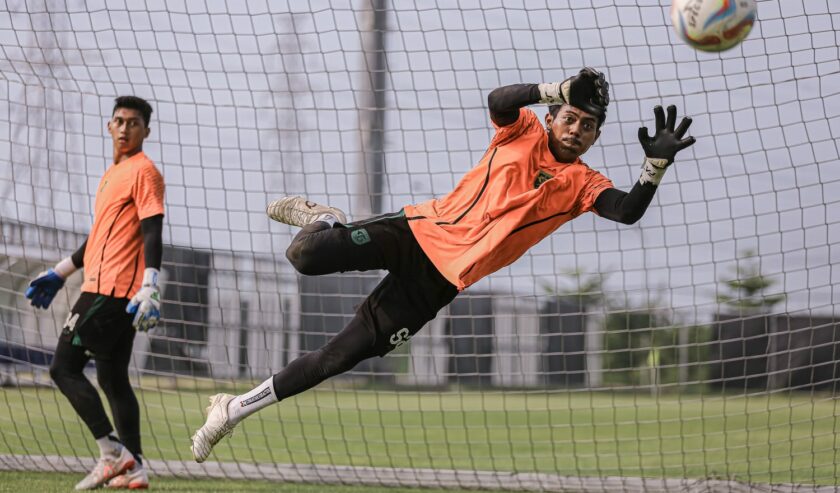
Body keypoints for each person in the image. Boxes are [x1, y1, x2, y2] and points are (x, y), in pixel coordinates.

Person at [190, 67, 695, 462]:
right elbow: (499, 101)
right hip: (415, 232)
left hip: (437, 284)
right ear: (552, 117)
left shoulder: (584, 184)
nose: (577, 130)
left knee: (339, 358)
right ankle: (325, 218)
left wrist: (655, 166)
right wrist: (554, 87)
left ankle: (232, 409)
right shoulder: (519, 132)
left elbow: (626, 211)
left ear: (595, 137)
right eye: (570, 118)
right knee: (303, 254)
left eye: (588, 127)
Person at [25, 96, 164, 490]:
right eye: (119, 121)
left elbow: (153, 229)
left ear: (145, 132)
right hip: (104, 287)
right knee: (114, 379)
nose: (124, 129)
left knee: (62, 368)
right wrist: (60, 272)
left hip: (112, 291)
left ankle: (111, 453)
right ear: (109, 126)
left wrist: (151, 282)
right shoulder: (111, 174)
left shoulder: (144, 172)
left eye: (133, 123)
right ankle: (135, 468)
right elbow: (97, 238)